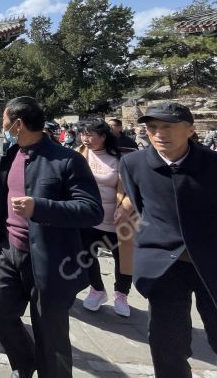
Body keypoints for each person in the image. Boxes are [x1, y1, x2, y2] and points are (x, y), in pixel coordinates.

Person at [121, 102, 217, 378]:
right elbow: (142, 208)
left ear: (190, 130)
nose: (158, 134)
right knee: (167, 345)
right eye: (152, 127)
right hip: (165, 267)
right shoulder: (133, 164)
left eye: (167, 126)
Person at [0, 96, 103, 378]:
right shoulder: (11, 155)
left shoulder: (67, 160)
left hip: (51, 260)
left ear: (17, 124)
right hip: (9, 251)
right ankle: (25, 363)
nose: (1, 125)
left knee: (51, 334)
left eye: (3, 120)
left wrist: (40, 207)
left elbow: (91, 210)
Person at [76, 119, 136, 317]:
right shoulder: (78, 154)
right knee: (86, 255)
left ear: (103, 137)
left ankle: (122, 293)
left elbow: (134, 188)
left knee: (123, 257)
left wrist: (125, 207)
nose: (86, 138)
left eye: (91, 134)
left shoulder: (121, 158)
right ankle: (97, 289)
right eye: (83, 134)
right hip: (88, 216)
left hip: (118, 217)